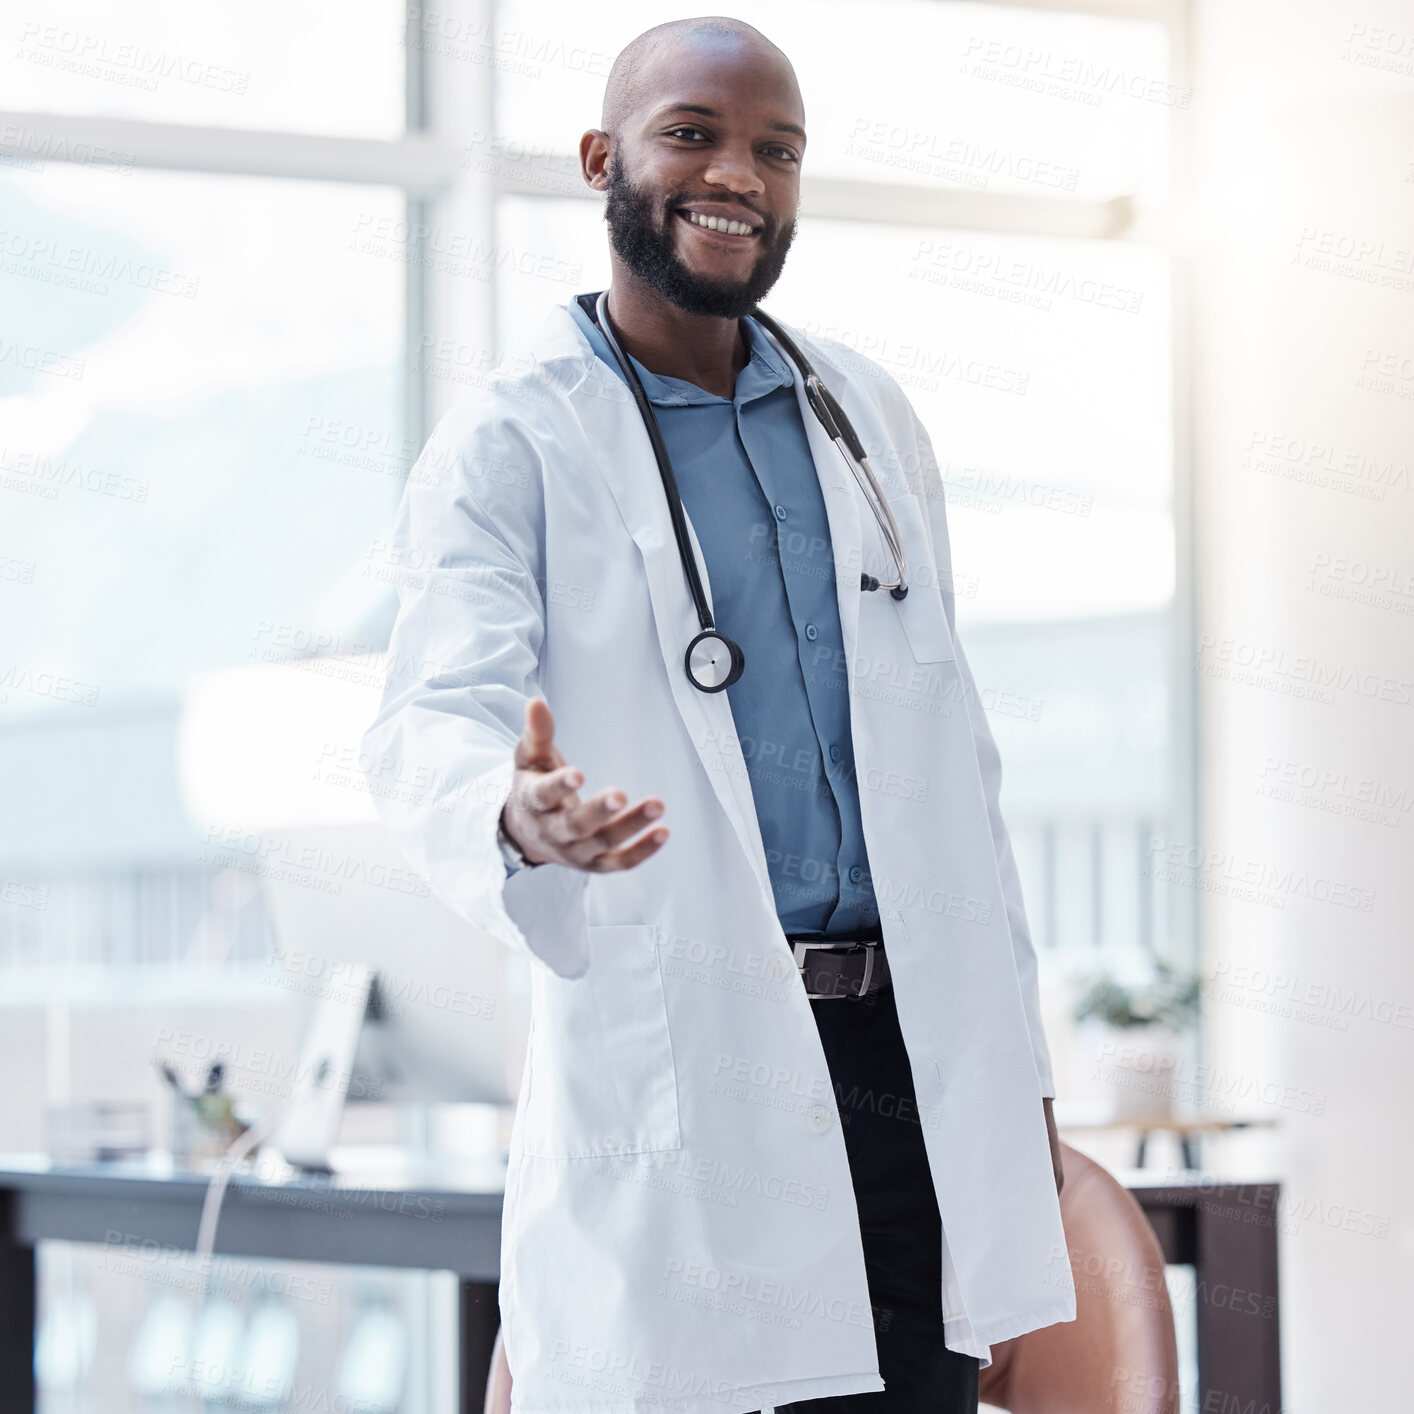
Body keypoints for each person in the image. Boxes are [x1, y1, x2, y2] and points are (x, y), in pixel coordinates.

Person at [362, 16, 1073, 1414]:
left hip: (909, 1072)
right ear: (600, 159)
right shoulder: (515, 438)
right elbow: (429, 712)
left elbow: (955, 776)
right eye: (691, 132)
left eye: (775, 149)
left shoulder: (866, 419)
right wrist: (516, 811)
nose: (736, 173)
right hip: (691, 1053)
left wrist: (1020, 1092)